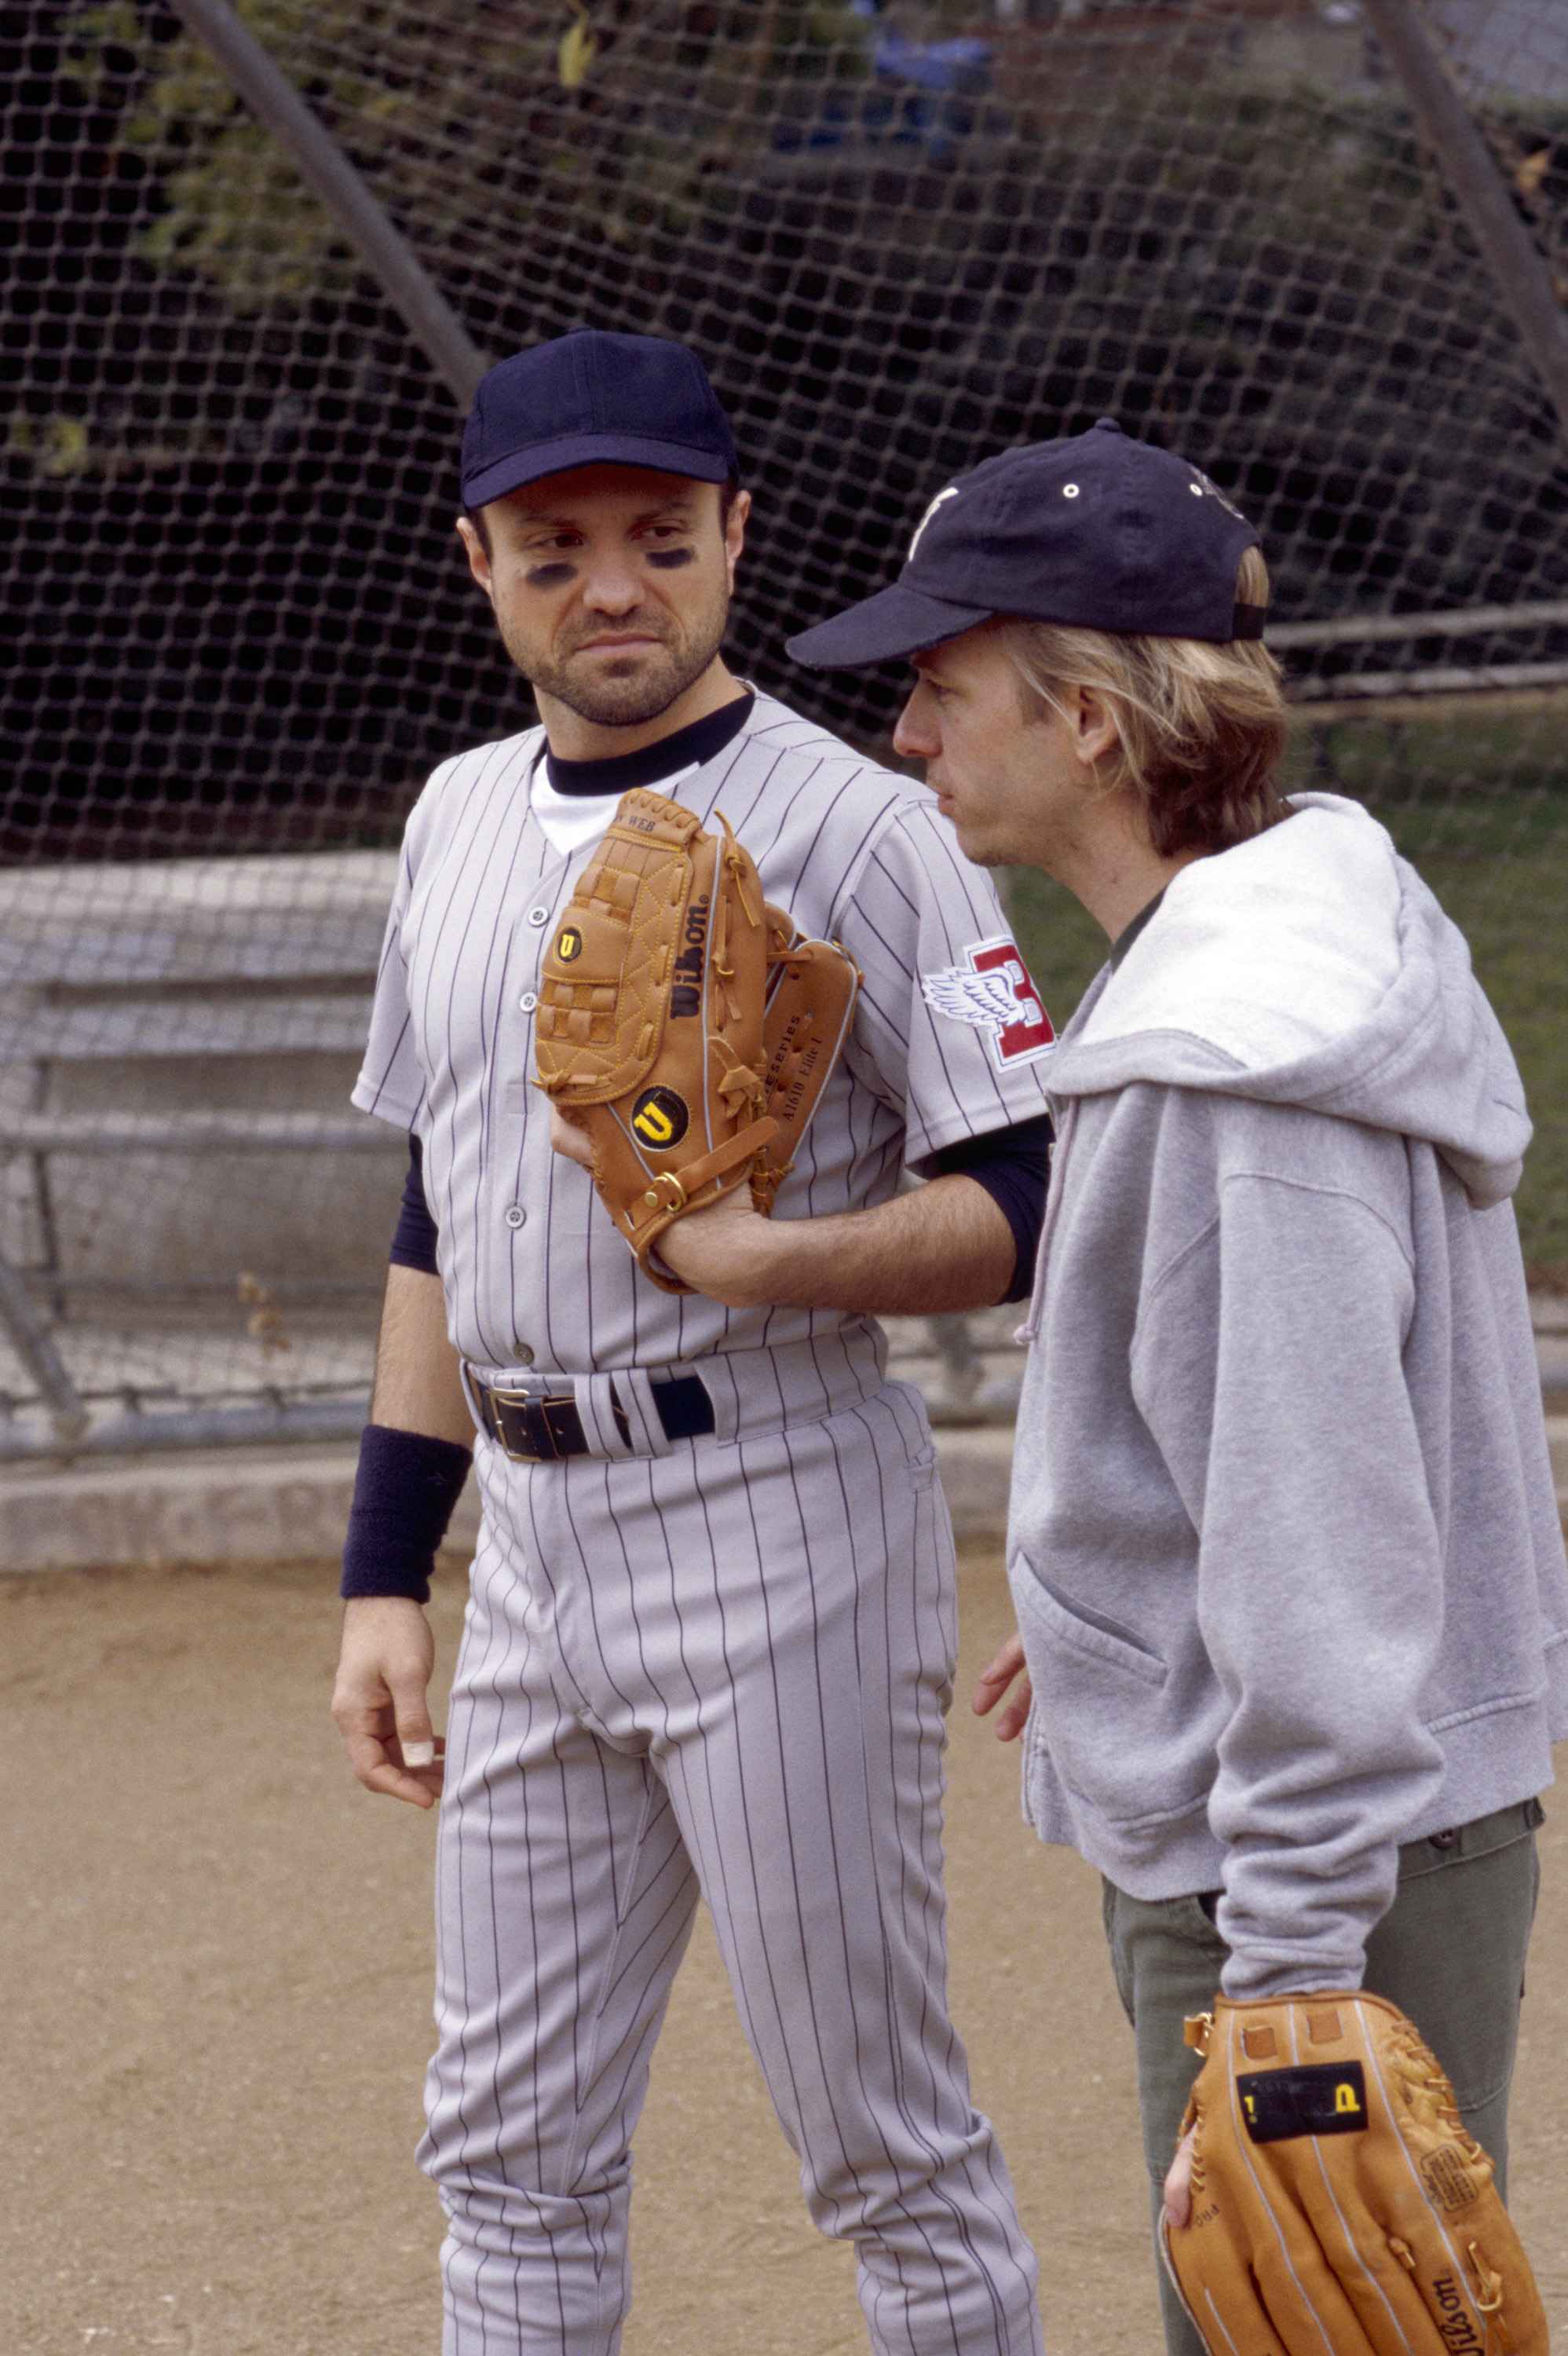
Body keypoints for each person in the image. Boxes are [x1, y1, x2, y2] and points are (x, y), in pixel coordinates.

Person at [784, 418, 1568, 2356]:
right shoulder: (1301, 939)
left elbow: (1321, 1518)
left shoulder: (1230, 1076)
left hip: (1302, 1866)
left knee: (1291, 2331)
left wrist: (1293, 1966)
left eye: (944, 687)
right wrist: (1127, 1605)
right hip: (1340, 1803)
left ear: (1093, 723)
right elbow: (1277, 1444)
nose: (909, 738)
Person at [328, 327, 1056, 2356]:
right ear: (477, 559)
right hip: (531, 1566)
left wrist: (758, 1261)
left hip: (774, 1520)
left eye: (658, 534)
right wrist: (388, 1571)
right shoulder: (454, 818)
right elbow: (437, 1206)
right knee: (505, 2155)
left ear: (736, 534)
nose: (613, 585)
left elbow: (1022, 1200)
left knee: (875, 2146)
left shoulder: (856, 830)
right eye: (555, 548)